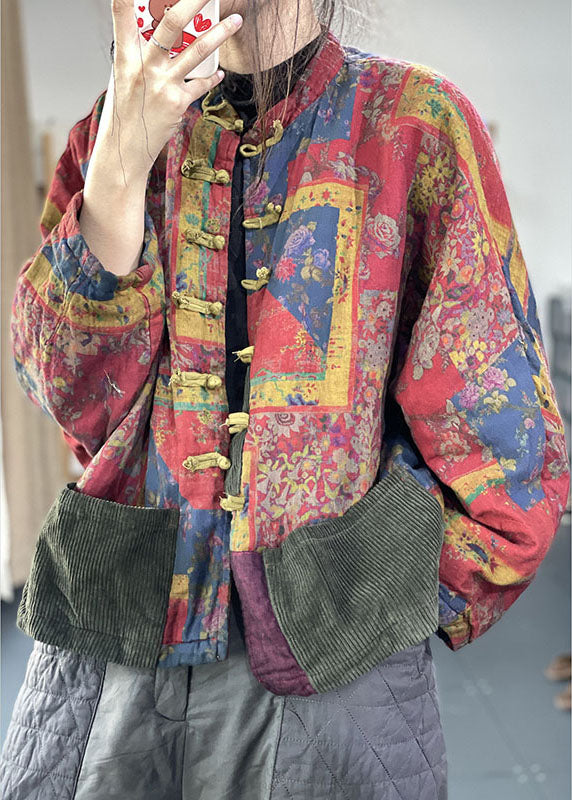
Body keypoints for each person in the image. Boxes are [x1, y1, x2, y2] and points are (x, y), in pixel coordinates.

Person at [1, 0, 570, 797]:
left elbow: (508, 454)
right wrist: (123, 159)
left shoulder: (415, 124)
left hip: (333, 675)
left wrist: (363, 592)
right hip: (110, 653)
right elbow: (68, 396)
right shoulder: (110, 133)